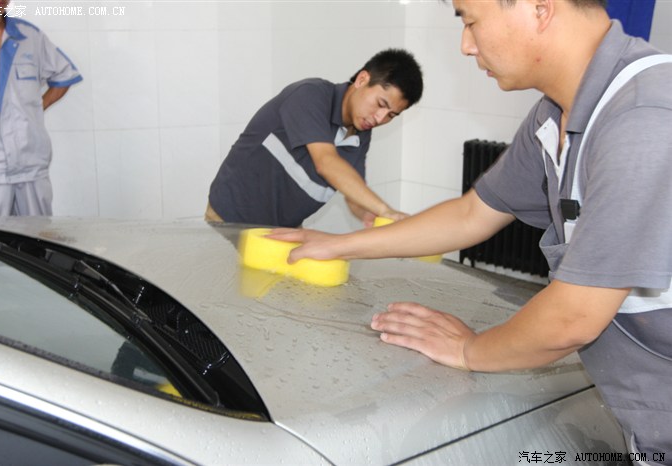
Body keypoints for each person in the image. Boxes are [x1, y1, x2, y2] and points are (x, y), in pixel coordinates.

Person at [270, 0, 672, 462]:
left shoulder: (644, 115)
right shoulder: (553, 118)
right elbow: (470, 214)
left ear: (539, 8)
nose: (465, 45)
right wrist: (340, 246)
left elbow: (573, 318)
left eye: (471, 20)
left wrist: (469, 350)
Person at [206, 48, 423, 228]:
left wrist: (370, 215)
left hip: (279, 233)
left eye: (391, 115)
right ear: (362, 79)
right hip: (231, 220)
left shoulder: (360, 133)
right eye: (381, 104)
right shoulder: (310, 95)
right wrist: (385, 210)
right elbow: (326, 163)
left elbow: (352, 191)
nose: (380, 118)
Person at [0, 0, 82, 217]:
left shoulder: (29, 36)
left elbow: (64, 74)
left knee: (36, 235)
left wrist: (35, 109)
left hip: (30, 165)